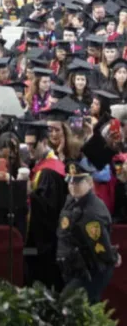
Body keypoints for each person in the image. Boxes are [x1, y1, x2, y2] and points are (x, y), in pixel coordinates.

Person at [57, 161, 121, 303]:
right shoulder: (73, 200)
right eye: (70, 182)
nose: (72, 186)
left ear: (90, 183)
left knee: (66, 305)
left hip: (90, 270)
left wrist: (112, 257)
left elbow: (101, 247)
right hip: (75, 269)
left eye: (78, 182)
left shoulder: (91, 213)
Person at [23, 120, 68, 290]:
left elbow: (49, 210)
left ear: (43, 142)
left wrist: (29, 193)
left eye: (32, 145)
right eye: (26, 145)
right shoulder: (43, 165)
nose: (29, 149)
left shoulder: (50, 171)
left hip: (47, 244)